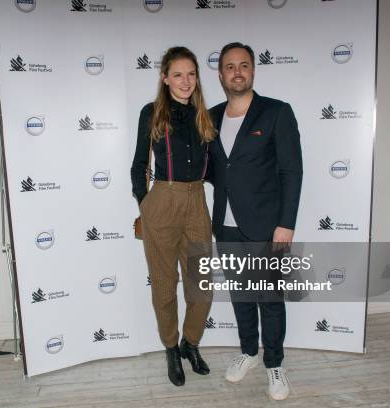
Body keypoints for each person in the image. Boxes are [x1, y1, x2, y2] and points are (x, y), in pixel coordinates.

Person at [207, 42, 303, 400]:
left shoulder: (276, 112)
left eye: (243, 65)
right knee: (241, 294)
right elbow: (211, 167)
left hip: (267, 224)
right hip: (226, 225)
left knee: (269, 297)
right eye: (230, 66)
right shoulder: (211, 116)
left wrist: (286, 223)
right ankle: (248, 351)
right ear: (221, 74)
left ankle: (274, 364)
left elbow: (291, 170)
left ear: (253, 71)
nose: (237, 72)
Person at [131, 46, 216, 387]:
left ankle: (190, 343)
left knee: (202, 286)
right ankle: (170, 348)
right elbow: (139, 164)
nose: (185, 81)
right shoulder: (151, 113)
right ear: (165, 78)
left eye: (191, 74)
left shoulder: (205, 115)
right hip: (162, 201)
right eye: (178, 74)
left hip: (196, 200)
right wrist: (146, 205)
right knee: (165, 287)